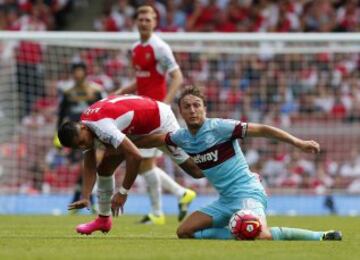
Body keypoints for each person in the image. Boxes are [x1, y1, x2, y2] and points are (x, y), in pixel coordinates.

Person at [134, 86, 342, 241]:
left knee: (260, 235)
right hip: (225, 201)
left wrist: (298, 142)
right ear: (181, 112)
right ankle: (240, 230)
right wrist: (118, 139)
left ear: (204, 109)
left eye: (197, 105)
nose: (192, 110)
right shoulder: (181, 137)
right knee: (184, 232)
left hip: (249, 193)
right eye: (187, 107)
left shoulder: (219, 127)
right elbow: (153, 140)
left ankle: (321, 236)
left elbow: (261, 129)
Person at [57, 94, 203, 235]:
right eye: (79, 146)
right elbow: (89, 162)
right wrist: (86, 196)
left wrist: (123, 193)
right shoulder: (85, 127)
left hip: (160, 121)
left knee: (196, 171)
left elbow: (135, 157)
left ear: (82, 128)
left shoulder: (102, 127)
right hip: (135, 127)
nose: (83, 146)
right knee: (105, 168)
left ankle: (208, 148)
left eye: (82, 142)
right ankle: (103, 220)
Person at [115, 5, 196, 224]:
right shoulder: (136, 48)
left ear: (155, 22)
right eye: (140, 19)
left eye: (147, 19)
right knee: (144, 164)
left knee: (145, 163)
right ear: (136, 21)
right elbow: (143, 79)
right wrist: (122, 92)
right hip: (143, 112)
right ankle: (180, 195)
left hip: (156, 115)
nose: (143, 22)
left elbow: (177, 77)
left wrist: (164, 105)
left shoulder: (160, 47)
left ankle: (159, 212)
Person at [56, 61, 106, 213]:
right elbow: (61, 116)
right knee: (84, 168)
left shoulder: (95, 91)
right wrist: (57, 137)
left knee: (88, 166)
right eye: (75, 71)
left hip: (91, 134)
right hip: (73, 137)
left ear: (85, 73)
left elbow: (103, 108)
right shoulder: (68, 93)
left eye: (80, 71)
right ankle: (85, 199)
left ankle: (85, 200)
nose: (78, 74)